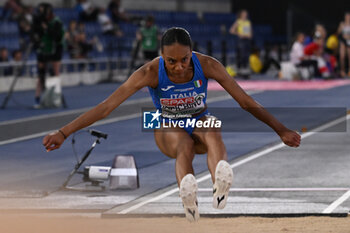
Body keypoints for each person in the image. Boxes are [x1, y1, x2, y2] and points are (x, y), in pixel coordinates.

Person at [43, 27, 301, 222]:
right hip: (167, 126)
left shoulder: (208, 65)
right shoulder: (149, 73)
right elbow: (106, 108)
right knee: (184, 144)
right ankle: (187, 192)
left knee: (212, 126)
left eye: (185, 60)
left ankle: (220, 181)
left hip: (199, 120)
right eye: (172, 61)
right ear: (162, 57)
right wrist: (64, 132)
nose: (179, 67)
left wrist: (281, 130)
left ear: (192, 54)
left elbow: (245, 101)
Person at [31, 2, 65, 108]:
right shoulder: (40, 21)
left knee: (55, 74)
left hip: (55, 51)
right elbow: (34, 33)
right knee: (41, 75)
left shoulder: (56, 21)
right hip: (43, 50)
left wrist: (46, 28)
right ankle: (37, 99)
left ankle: (56, 97)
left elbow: (57, 37)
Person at [229, 9, 253, 74]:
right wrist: (239, 34)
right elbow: (231, 30)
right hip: (241, 40)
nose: (245, 15)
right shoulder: (238, 21)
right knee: (242, 54)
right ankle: (240, 69)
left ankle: (245, 69)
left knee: (246, 55)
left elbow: (250, 32)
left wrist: (250, 35)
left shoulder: (248, 22)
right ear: (241, 15)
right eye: (244, 14)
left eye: (246, 14)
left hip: (247, 40)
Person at [337, 12, 350, 77]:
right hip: (343, 41)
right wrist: (340, 28)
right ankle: (342, 71)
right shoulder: (342, 24)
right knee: (342, 56)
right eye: (347, 16)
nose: (348, 18)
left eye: (349, 16)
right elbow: (338, 33)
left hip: (349, 41)